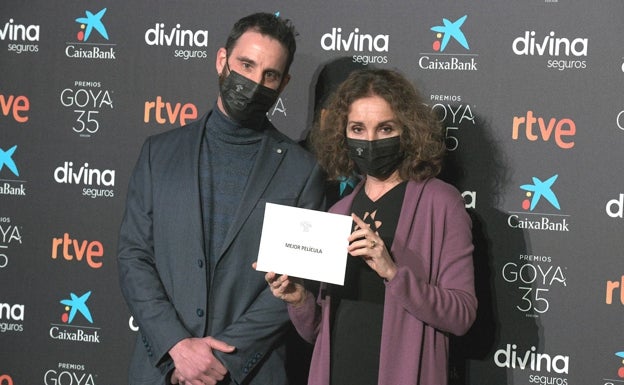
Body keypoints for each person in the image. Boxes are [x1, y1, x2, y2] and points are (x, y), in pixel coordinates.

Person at [117, 12, 325, 385]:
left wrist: (222, 356)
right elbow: (134, 256)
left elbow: (294, 284)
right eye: (246, 64)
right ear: (221, 61)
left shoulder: (302, 171)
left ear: (283, 84)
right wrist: (178, 346)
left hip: (249, 373)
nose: (254, 82)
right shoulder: (158, 153)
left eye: (270, 75)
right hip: (162, 370)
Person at [264, 69, 477, 385]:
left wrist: (392, 272)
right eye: (358, 129)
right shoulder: (339, 211)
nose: (370, 140)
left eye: (385, 128)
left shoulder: (440, 203)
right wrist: (298, 300)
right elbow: (319, 333)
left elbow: (461, 315)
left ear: (406, 130)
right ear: (343, 134)